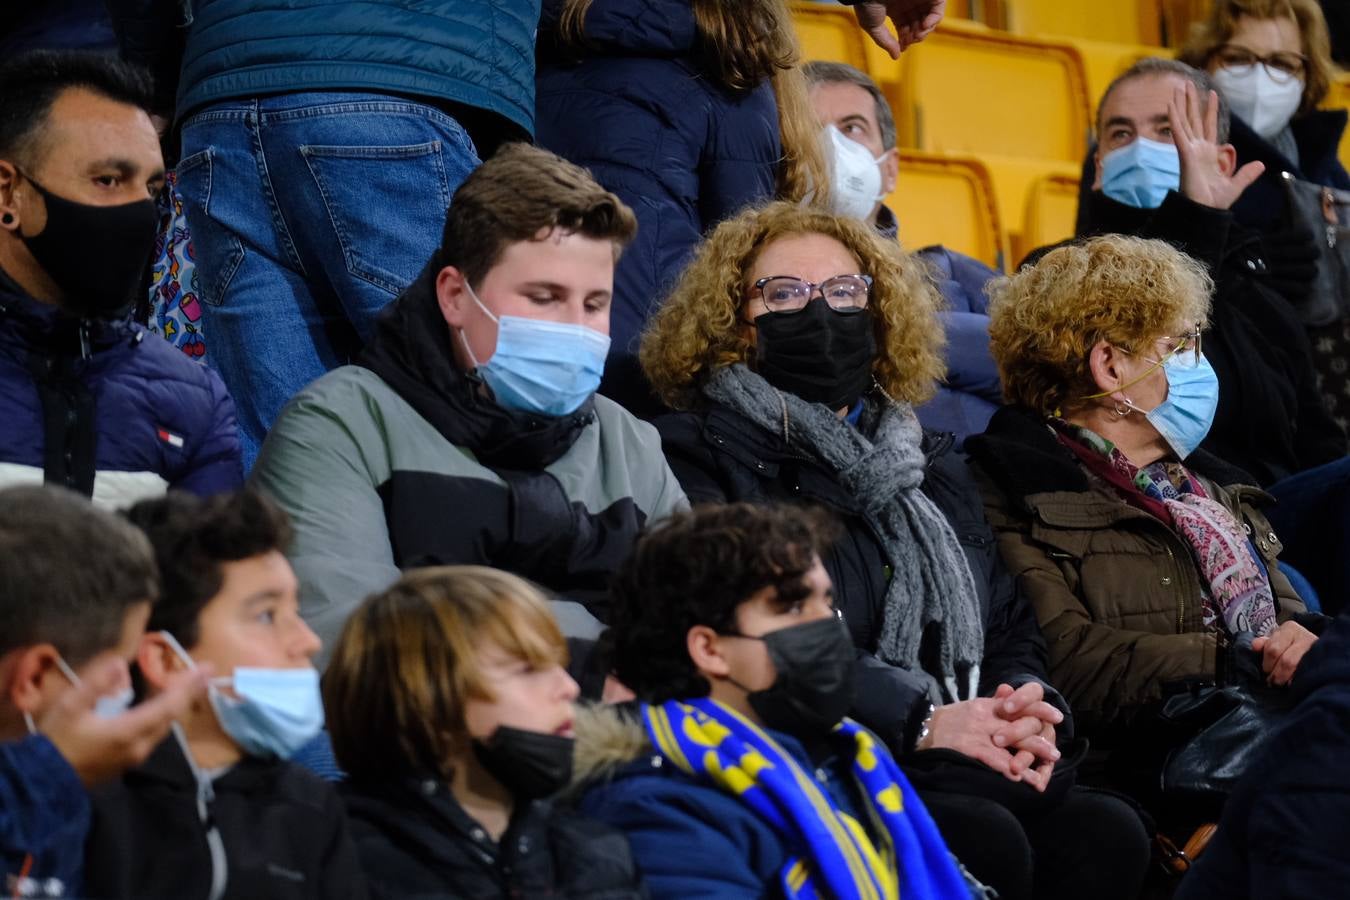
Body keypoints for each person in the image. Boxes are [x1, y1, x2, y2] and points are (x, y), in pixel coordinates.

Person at [640, 201, 1151, 900]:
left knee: (1106, 830)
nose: (820, 313)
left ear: (880, 314)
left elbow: (1005, 620)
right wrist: (922, 719)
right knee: (981, 833)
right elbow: (750, 633)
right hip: (821, 745)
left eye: (846, 291)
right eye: (784, 293)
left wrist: (1026, 708)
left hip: (958, 745)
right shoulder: (695, 453)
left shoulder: (932, 463)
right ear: (735, 324)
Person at [251, 143, 687, 658]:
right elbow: (349, 644)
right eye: (543, 297)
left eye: (595, 304)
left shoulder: (630, 442)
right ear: (455, 296)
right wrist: (589, 656)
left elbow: (695, 634)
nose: (575, 327)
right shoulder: (339, 425)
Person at [105, 0, 540, 468]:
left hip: (223, 95)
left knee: (285, 458)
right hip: (396, 77)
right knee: (472, 418)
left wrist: (159, 83)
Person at [966, 233, 1322, 750]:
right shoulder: (1012, 488)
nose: (1199, 365)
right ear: (1109, 366)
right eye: (1179, 346)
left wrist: (1310, 639)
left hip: (1271, 729)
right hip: (1149, 757)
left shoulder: (1207, 486)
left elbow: (1291, 619)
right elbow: (1066, 658)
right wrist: (1234, 658)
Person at [576, 502, 974, 899]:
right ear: (709, 649)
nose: (827, 626)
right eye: (794, 606)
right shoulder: (660, 809)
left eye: (826, 602)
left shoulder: (846, 752)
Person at [1069, 58, 1350, 611]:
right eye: (1121, 133)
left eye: (1168, 130)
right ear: (1100, 164)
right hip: (1170, 515)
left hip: (1276, 516)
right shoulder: (1057, 278)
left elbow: (1318, 443)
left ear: (1222, 160)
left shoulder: (1262, 294)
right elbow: (1141, 343)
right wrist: (1196, 216)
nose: (1141, 148)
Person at [535, 0, 828, 415]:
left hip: (516, 330)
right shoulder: (729, 60)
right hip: (640, 357)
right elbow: (741, 247)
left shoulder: (533, 39)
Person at [84, 489, 366, 899]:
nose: (307, 641)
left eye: (295, 612)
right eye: (266, 615)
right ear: (166, 661)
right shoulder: (78, 803)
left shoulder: (312, 809)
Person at [0, 50, 241, 506]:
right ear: (8, 192)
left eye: (151, 190)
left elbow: (216, 575)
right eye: (109, 180)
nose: (140, 214)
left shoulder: (193, 401)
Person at [325, 566, 645, 898]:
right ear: (427, 700)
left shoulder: (597, 853)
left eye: (557, 665)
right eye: (527, 669)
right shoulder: (328, 858)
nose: (567, 686)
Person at [0, 484, 208, 899]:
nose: (128, 688)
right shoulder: (51, 778)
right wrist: (50, 772)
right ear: (36, 676)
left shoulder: (65, 790)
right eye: (120, 666)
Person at [804, 59, 1002, 445]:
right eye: (808, 131)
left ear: (890, 168)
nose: (830, 147)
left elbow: (1050, 373)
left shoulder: (959, 277)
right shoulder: (755, 291)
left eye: (852, 128)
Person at [1175, 608, 1350, 899]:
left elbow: (1288, 615)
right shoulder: (1332, 738)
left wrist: (1305, 638)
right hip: (1181, 728)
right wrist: (1238, 653)